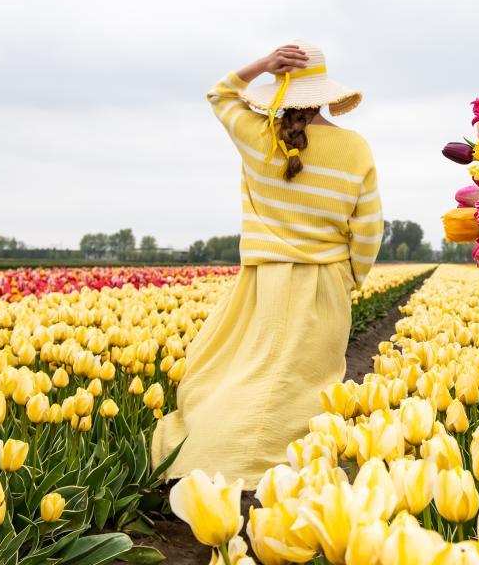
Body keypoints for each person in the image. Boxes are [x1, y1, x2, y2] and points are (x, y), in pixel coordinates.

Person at [152, 41, 382, 487]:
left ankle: (219, 456)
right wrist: (351, 278)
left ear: (281, 89)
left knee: (247, 373)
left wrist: (260, 65)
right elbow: (369, 229)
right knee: (302, 386)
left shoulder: (258, 137)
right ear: (325, 93)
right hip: (325, 283)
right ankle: (294, 469)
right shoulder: (355, 148)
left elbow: (220, 94)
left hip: (262, 282)